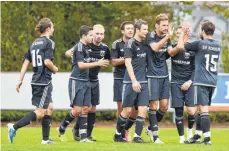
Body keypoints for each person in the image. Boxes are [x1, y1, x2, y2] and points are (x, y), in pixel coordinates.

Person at [7, 18, 58, 144]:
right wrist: (55, 68)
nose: (53, 29)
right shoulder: (49, 42)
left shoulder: (34, 43)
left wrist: (20, 80)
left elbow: (25, 63)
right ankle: (14, 127)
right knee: (40, 112)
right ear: (48, 29)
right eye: (52, 27)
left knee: (50, 107)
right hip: (43, 81)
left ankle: (45, 140)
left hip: (36, 80)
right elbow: (47, 62)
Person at [57, 25, 109, 142]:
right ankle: (62, 128)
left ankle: (84, 137)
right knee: (77, 110)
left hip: (87, 81)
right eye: (91, 35)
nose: (94, 37)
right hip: (77, 81)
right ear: (84, 36)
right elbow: (80, 65)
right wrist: (97, 63)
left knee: (86, 108)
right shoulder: (79, 47)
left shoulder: (86, 47)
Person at [179, 20, 221, 145]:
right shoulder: (218, 45)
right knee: (199, 108)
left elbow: (181, 46)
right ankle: (197, 135)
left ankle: (207, 139)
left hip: (201, 81)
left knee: (203, 110)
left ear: (202, 31)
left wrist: (182, 33)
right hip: (212, 81)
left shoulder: (199, 43)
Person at [145, 13, 179, 144]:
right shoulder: (150, 36)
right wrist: (168, 37)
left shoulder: (167, 37)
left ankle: (149, 128)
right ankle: (155, 135)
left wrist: (180, 43)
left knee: (164, 106)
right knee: (153, 105)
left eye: (167, 25)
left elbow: (170, 52)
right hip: (152, 75)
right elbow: (154, 47)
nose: (166, 27)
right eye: (163, 25)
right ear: (157, 25)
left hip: (164, 74)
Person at [113, 19, 149, 143]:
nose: (147, 31)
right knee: (127, 110)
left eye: (147, 29)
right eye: (144, 29)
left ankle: (137, 137)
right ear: (137, 30)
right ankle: (118, 134)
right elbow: (127, 62)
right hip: (130, 82)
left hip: (144, 82)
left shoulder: (146, 43)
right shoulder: (130, 44)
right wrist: (134, 81)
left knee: (143, 109)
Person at [111, 21, 136, 141]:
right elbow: (114, 61)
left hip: (134, 78)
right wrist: (127, 58)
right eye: (128, 29)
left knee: (133, 108)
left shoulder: (138, 43)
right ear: (122, 31)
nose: (131, 30)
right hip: (120, 78)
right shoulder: (117, 44)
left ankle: (126, 130)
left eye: (132, 28)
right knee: (121, 106)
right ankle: (119, 132)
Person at [170, 26, 196, 143]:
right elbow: (172, 51)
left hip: (189, 83)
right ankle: (181, 138)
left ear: (187, 35)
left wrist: (190, 81)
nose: (177, 36)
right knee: (179, 111)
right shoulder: (173, 46)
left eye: (180, 33)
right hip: (175, 82)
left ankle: (190, 132)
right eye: (177, 34)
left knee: (191, 111)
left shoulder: (192, 49)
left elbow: (196, 68)